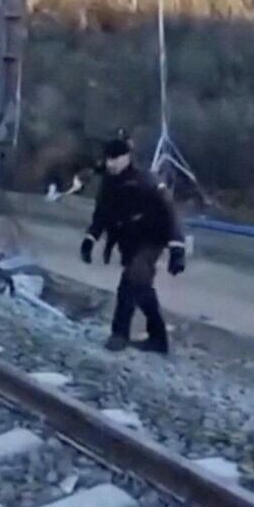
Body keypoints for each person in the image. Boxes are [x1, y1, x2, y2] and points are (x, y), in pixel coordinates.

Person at [81, 137, 186, 354]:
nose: (110, 164)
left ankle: (119, 334)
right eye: (108, 159)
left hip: (152, 239)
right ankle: (158, 339)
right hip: (129, 242)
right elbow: (101, 215)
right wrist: (90, 239)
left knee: (130, 281)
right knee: (142, 287)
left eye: (115, 159)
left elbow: (170, 212)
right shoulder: (109, 185)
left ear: (127, 158)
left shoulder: (146, 181)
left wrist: (177, 248)